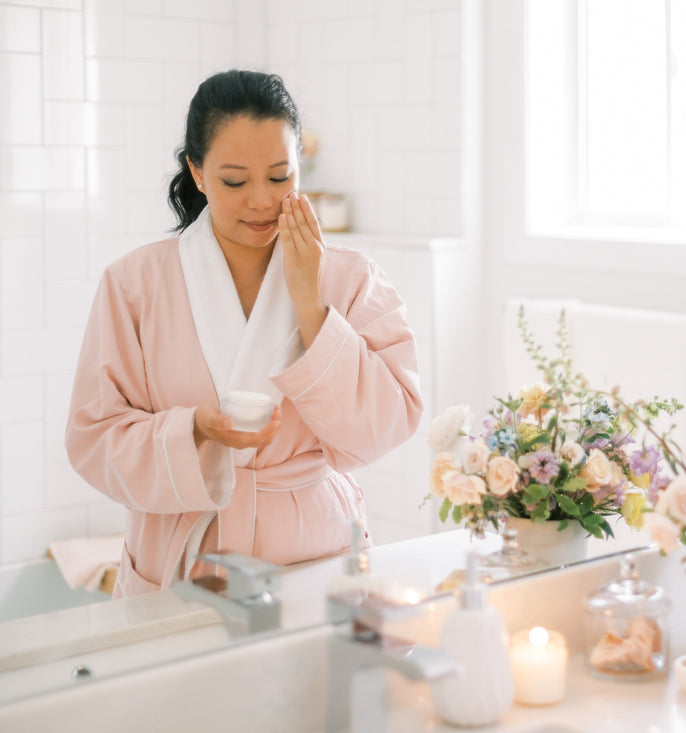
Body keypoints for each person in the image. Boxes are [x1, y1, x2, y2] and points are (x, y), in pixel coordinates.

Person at [66, 70, 423, 597]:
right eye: (235, 181)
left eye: (280, 177)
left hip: (312, 553)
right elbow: (93, 438)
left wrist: (311, 304)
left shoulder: (350, 278)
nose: (261, 200)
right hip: (187, 556)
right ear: (198, 171)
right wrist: (194, 432)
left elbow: (385, 426)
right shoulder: (134, 283)